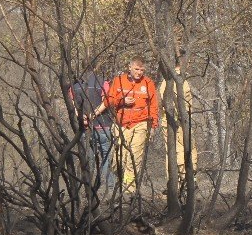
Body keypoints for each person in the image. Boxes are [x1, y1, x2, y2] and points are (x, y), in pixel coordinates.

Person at [95, 57, 159, 192]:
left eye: (142, 70)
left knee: (134, 157)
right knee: (119, 160)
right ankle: (120, 183)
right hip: (121, 125)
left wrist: (153, 126)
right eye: (136, 69)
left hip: (140, 124)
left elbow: (153, 106)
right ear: (129, 68)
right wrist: (122, 100)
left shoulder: (148, 83)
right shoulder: (119, 81)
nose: (139, 72)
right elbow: (109, 100)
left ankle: (130, 190)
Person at [69, 64, 114, 191]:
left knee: (89, 158)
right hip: (103, 125)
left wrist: (82, 117)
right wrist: (93, 115)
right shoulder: (103, 83)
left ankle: (90, 189)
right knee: (106, 158)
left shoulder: (74, 86)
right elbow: (106, 102)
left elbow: (72, 106)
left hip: (85, 128)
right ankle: (110, 188)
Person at [157, 56, 198, 191]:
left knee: (188, 148)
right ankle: (179, 181)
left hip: (183, 120)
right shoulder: (173, 80)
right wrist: (179, 118)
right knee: (178, 150)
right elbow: (165, 102)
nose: (190, 63)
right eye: (188, 60)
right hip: (175, 122)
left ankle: (188, 180)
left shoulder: (180, 79)